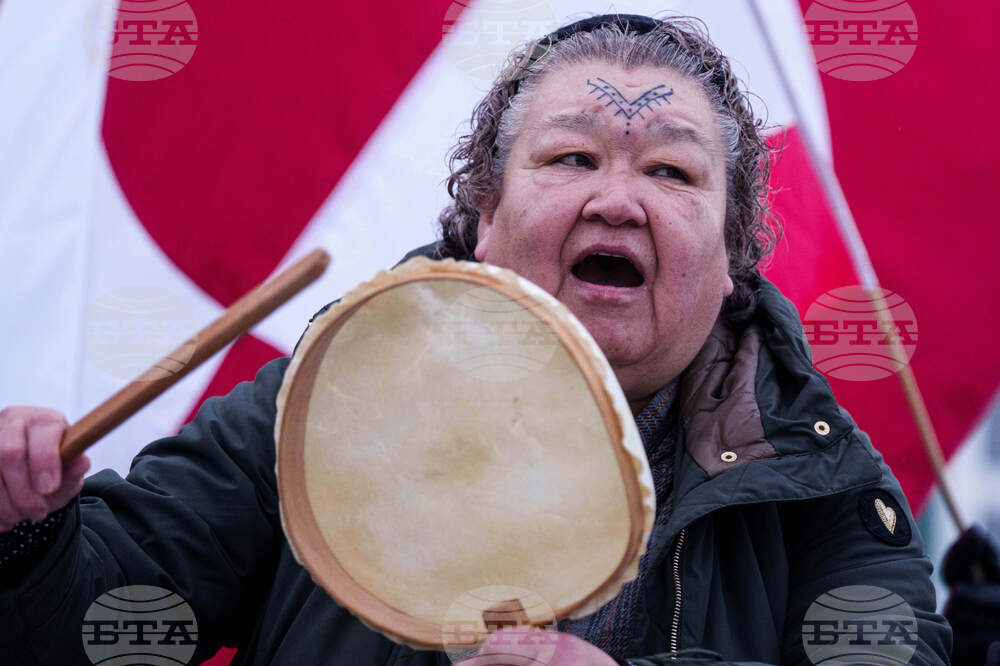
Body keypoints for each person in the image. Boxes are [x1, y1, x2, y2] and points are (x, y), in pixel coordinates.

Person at [0, 14, 951, 665]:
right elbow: (100, 627)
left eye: (670, 172)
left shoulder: (821, 482)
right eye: (571, 156)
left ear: (735, 253)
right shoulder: (318, 409)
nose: (616, 200)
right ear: (484, 214)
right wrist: (24, 538)